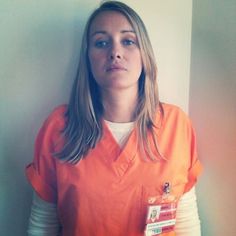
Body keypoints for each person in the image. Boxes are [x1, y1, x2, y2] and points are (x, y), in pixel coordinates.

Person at [26, 1, 202, 236]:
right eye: (101, 42)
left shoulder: (176, 125)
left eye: (128, 41)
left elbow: (186, 224)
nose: (115, 52)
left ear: (145, 54)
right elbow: (43, 226)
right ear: (88, 58)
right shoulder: (58, 128)